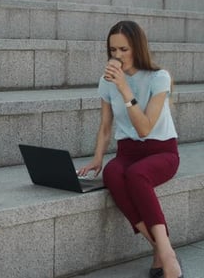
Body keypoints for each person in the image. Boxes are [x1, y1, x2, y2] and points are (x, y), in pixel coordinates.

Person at [78, 20, 183, 278]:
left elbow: (145, 128)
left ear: (137, 47)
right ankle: (160, 248)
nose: (117, 56)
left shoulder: (160, 78)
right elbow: (105, 126)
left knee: (137, 175)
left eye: (124, 49)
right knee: (114, 173)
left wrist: (124, 88)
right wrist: (98, 158)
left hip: (162, 152)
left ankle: (167, 256)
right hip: (128, 152)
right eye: (113, 50)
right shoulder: (106, 82)